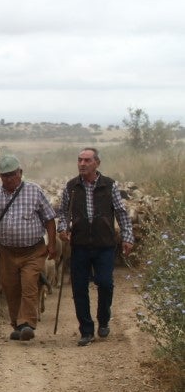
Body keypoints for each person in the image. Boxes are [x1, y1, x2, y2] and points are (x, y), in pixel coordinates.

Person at [57, 147, 134, 347]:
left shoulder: (109, 185)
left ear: (97, 163)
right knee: (79, 287)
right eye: (80, 160)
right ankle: (87, 330)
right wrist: (63, 228)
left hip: (104, 244)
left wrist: (127, 237)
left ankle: (104, 318)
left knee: (105, 283)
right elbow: (64, 211)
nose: (82, 164)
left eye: (87, 160)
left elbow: (121, 212)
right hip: (80, 245)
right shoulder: (72, 187)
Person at [0, 154, 57, 341]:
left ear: (20, 173)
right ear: (0, 177)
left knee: (29, 284)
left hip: (33, 250)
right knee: (11, 287)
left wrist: (52, 244)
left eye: (12, 174)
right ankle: (17, 323)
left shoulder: (34, 191)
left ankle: (27, 323)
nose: (9, 178)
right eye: (4, 175)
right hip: (6, 251)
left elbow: (49, 218)